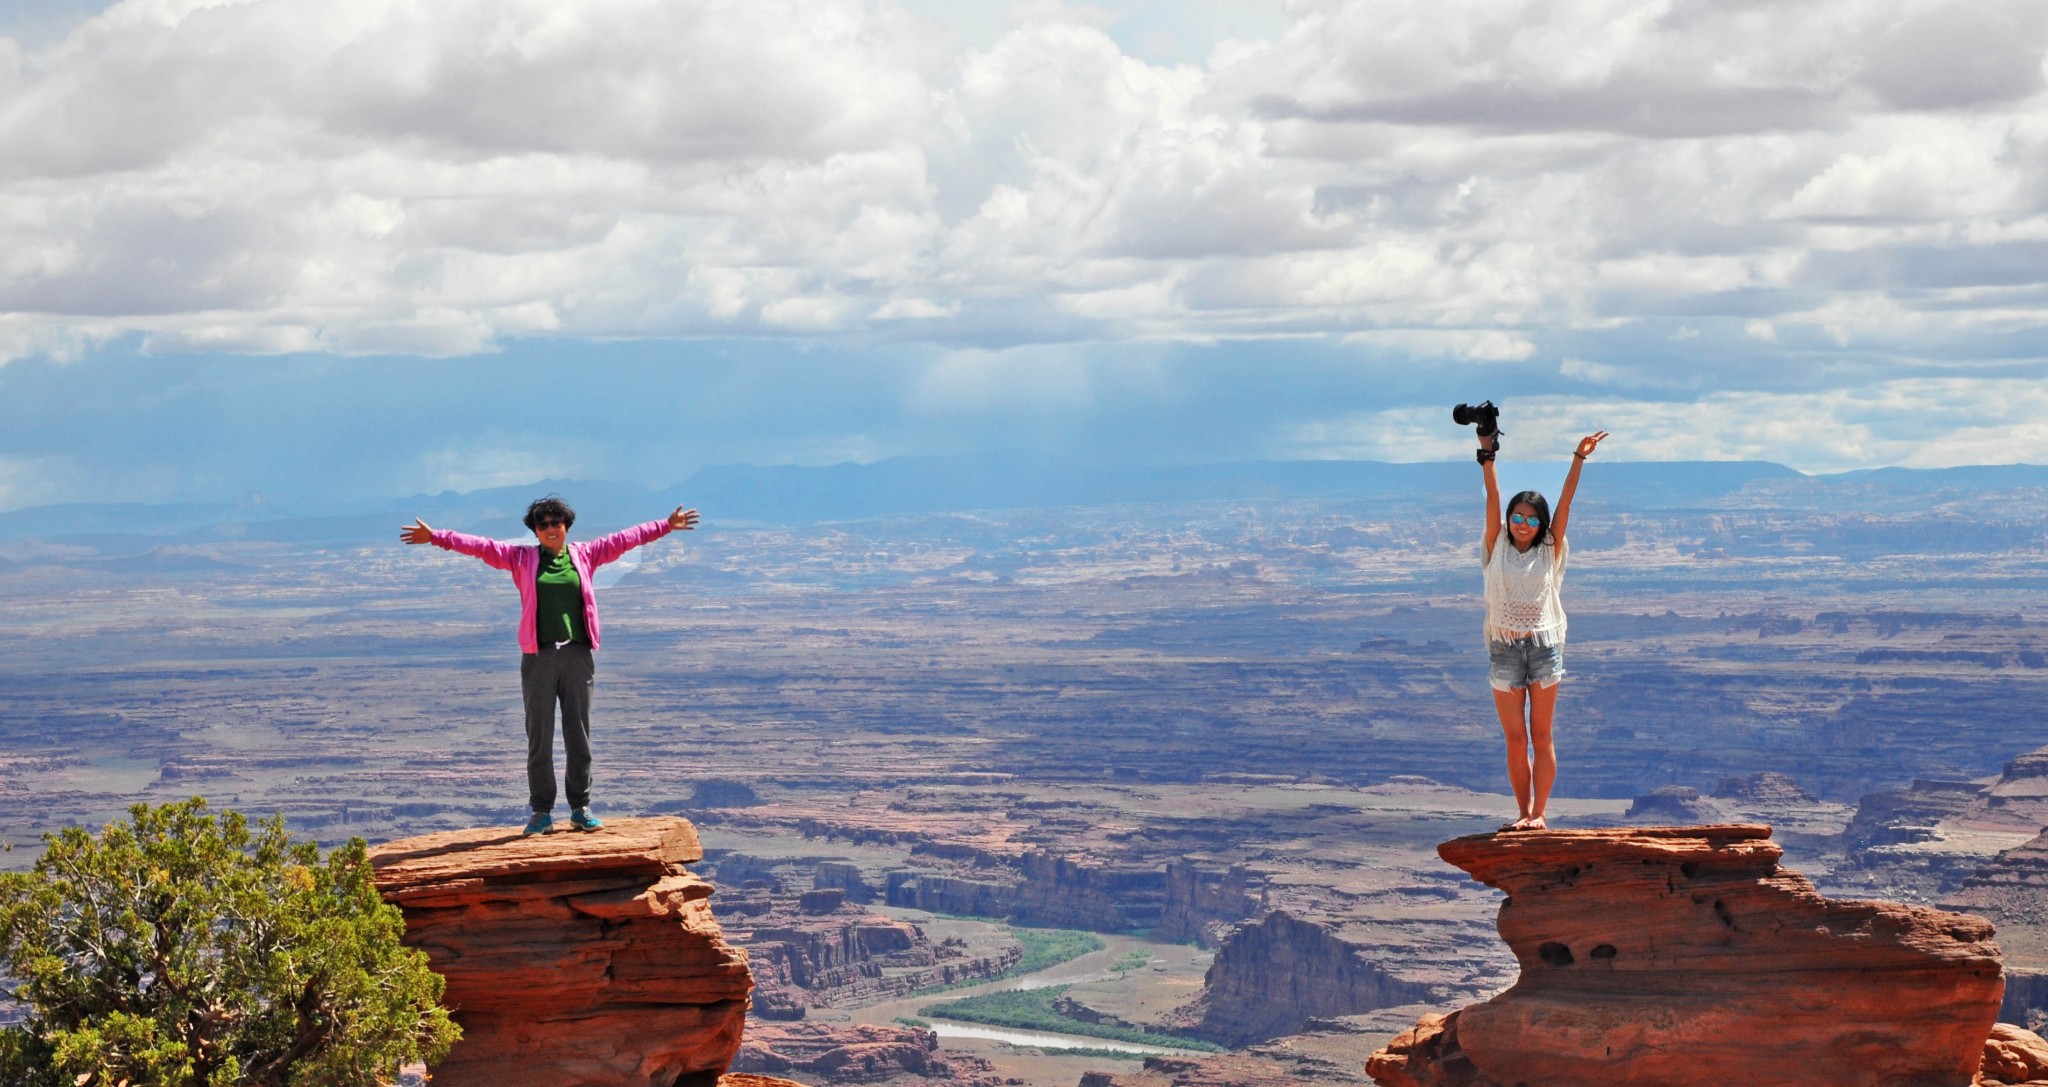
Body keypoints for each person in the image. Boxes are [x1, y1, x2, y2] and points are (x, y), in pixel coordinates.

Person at [400, 496, 700, 835]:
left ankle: (580, 808)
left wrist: (665, 525)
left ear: (566, 525)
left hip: (577, 656)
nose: (550, 529)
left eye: (556, 522)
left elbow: (625, 539)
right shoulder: (521, 558)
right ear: (535, 531)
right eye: (542, 525)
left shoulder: (585, 555)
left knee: (578, 734)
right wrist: (438, 537)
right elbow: (481, 547)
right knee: (539, 736)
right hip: (538, 657)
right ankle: (541, 812)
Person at [1479, 427, 1607, 831]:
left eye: (1531, 519)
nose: (1522, 523)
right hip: (1504, 649)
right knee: (1515, 739)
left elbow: (1567, 502)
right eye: (1517, 517)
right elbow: (1493, 498)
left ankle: (1540, 813)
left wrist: (1578, 458)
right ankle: (1522, 813)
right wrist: (1487, 453)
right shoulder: (1495, 543)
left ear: (1541, 524)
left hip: (1544, 647)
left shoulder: (1551, 547)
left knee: (1541, 734)